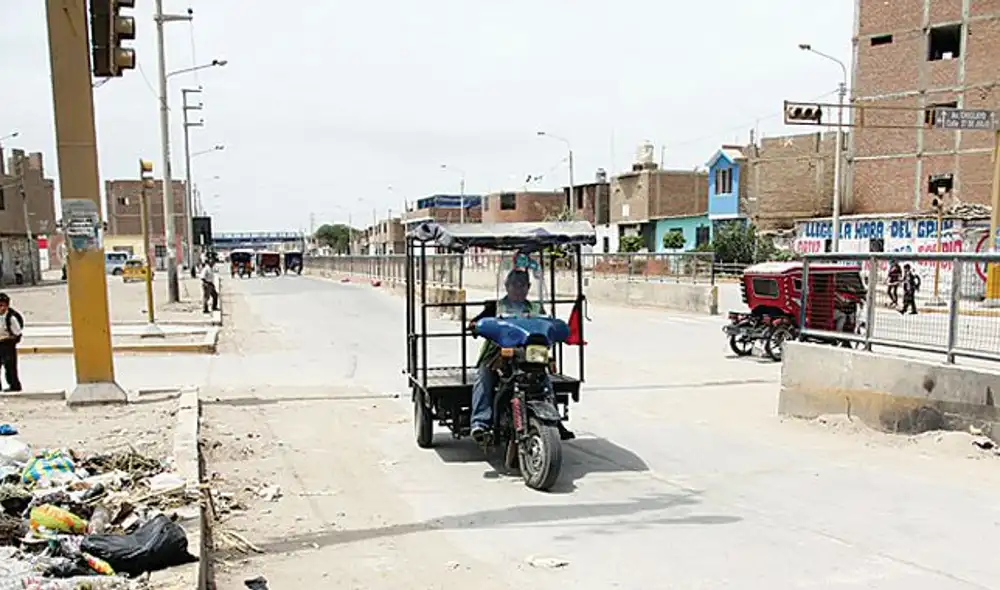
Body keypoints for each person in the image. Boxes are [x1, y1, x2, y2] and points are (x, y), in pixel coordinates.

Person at [468, 268, 575, 444]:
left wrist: (558, 329)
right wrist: (476, 326)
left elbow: (547, 325)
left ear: (528, 287)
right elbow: (477, 322)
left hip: (529, 353)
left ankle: (555, 422)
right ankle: (480, 422)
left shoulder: (536, 308)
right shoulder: (495, 307)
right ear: (506, 286)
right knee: (484, 377)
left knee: (545, 381)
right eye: (514, 285)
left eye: (522, 285)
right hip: (498, 353)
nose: (518, 289)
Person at [0, 293, 23, 392]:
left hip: (7, 344)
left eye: (2, 305)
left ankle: (14, 386)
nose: (1, 308)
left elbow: (17, 333)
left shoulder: (10, 318)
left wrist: (9, 338)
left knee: (10, 367)